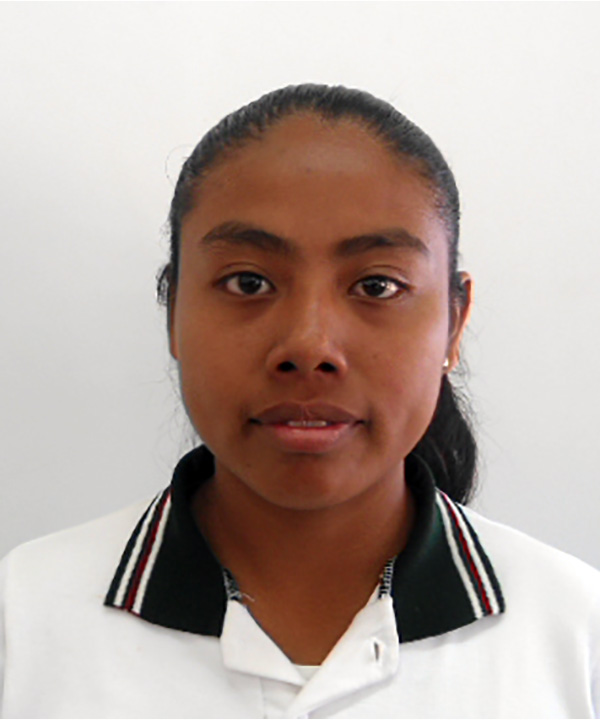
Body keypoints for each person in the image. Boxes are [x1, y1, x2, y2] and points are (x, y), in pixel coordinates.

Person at [1, 84, 599, 719]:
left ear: (454, 323)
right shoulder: (25, 622)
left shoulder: (575, 635)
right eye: (248, 282)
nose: (310, 346)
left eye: (377, 285)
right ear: (172, 312)